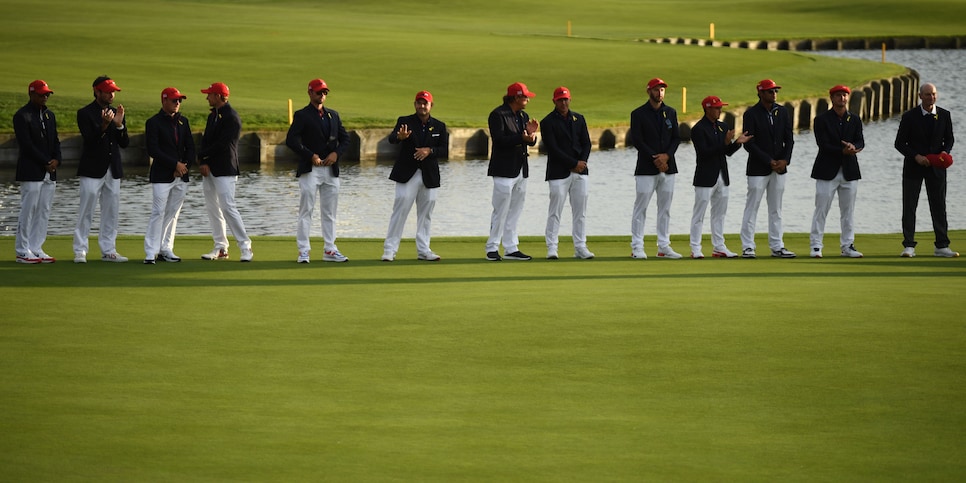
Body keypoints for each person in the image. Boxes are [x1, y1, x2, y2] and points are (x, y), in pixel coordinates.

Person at [286, 78, 351, 263]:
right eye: (318, 92)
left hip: (330, 170)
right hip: (310, 170)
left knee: (330, 213)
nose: (322, 95)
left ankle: (330, 249)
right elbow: (291, 140)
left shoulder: (333, 115)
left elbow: (345, 139)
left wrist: (336, 154)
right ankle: (303, 250)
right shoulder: (302, 115)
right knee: (306, 211)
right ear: (310, 93)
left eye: (324, 93)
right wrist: (309, 155)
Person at [381, 90, 449, 262]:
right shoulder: (404, 121)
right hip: (407, 173)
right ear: (415, 104)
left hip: (429, 175)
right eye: (419, 103)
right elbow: (391, 139)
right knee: (400, 210)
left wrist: (430, 151)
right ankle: (390, 250)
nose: (422, 106)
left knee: (426, 214)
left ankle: (423, 250)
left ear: (431, 105)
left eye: (425, 103)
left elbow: (445, 149)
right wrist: (399, 136)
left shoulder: (439, 126)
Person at [894, 82, 957, 257]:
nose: (931, 97)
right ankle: (909, 245)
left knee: (938, 205)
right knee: (909, 206)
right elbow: (899, 143)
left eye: (934, 94)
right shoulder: (909, 117)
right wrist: (916, 156)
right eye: (928, 94)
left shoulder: (945, 115)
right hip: (913, 167)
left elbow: (950, 139)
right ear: (920, 96)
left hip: (937, 167)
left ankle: (942, 245)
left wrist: (945, 152)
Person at [74, 75, 130, 263]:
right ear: (97, 91)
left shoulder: (116, 112)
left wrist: (120, 125)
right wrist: (105, 125)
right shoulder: (85, 113)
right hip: (91, 168)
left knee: (111, 210)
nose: (111, 95)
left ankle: (109, 249)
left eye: (113, 91)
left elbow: (124, 143)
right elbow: (90, 141)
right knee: (86, 210)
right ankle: (80, 250)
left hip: (112, 169)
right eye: (107, 92)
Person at [688, 95, 752, 259]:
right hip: (705, 177)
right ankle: (695, 247)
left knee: (720, 214)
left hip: (722, 176)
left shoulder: (723, 126)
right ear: (707, 109)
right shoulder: (698, 129)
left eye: (720, 107)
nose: (719, 110)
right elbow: (704, 152)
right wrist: (724, 143)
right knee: (699, 214)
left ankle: (719, 247)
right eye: (716, 108)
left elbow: (727, 152)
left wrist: (737, 142)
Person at [739, 79, 796, 259]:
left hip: (779, 168)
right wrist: (769, 160)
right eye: (770, 91)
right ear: (761, 93)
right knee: (752, 207)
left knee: (776, 209)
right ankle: (748, 246)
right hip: (758, 168)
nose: (774, 94)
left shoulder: (783, 112)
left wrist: (785, 160)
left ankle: (777, 246)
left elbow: (789, 139)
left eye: (775, 91)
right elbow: (749, 144)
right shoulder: (751, 114)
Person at [198, 82, 253, 262]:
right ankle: (220, 247)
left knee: (228, 207)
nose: (207, 97)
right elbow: (206, 140)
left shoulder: (231, 117)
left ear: (219, 96)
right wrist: (203, 161)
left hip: (225, 169)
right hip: (210, 169)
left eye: (210, 94)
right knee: (213, 208)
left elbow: (223, 145)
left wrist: (203, 156)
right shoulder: (213, 116)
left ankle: (245, 247)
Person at [809, 85, 865, 259]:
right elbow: (823, 144)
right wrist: (842, 151)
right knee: (821, 209)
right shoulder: (822, 119)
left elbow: (860, 141)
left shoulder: (855, 119)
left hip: (849, 171)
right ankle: (816, 246)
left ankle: (847, 245)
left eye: (845, 95)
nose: (842, 98)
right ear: (832, 98)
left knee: (848, 211)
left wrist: (854, 147)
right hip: (827, 170)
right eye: (838, 95)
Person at [485, 82, 538, 261]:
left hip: (521, 169)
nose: (527, 100)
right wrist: (521, 137)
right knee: (500, 209)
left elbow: (526, 141)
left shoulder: (523, 116)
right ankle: (492, 248)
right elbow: (499, 140)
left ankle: (511, 247)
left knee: (515, 210)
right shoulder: (497, 115)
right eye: (525, 97)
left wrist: (530, 137)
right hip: (503, 169)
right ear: (516, 97)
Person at [630, 77, 682, 259]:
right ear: (649, 91)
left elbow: (676, 138)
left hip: (669, 167)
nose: (659, 92)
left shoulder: (671, 112)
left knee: (665, 208)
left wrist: (666, 156)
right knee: (641, 207)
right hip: (646, 167)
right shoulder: (638, 114)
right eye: (656, 89)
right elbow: (637, 140)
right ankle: (637, 246)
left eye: (662, 89)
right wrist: (656, 158)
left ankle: (664, 246)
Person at [540, 86, 594, 260]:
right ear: (554, 101)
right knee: (555, 211)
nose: (563, 103)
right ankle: (552, 247)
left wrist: (581, 163)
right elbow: (553, 148)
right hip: (558, 172)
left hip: (580, 171)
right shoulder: (547, 122)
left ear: (570, 100)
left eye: (566, 99)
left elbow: (587, 143)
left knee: (580, 212)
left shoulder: (579, 118)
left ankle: (580, 247)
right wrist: (573, 163)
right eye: (560, 100)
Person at [143, 87, 195, 264]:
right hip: (162, 175)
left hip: (181, 175)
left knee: (173, 214)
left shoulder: (184, 122)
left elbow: (191, 147)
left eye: (179, 100)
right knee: (158, 212)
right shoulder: (154, 122)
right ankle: (151, 251)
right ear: (164, 101)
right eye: (174, 100)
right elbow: (153, 150)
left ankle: (166, 248)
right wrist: (175, 165)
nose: (178, 103)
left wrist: (183, 166)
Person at [13, 80, 61, 264]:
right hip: (31, 170)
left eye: (47, 94)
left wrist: (57, 159)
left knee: (44, 210)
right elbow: (27, 145)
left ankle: (36, 247)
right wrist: (46, 162)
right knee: (28, 209)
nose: (45, 97)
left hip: (50, 172)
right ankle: (22, 250)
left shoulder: (49, 115)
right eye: (42, 94)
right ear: (31, 94)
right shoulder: (22, 116)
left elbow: (55, 141)